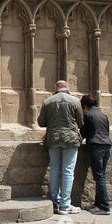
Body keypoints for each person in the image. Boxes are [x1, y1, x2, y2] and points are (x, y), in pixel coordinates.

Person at [37, 80, 83, 215]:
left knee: (55, 169)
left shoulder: (47, 101)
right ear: (67, 88)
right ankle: (65, 204)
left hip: (53, 138)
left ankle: (55, 202)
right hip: (70, 138)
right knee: (68, 171)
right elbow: (80, 122)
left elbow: (41, 122)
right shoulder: (75, 101)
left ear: (56, 88)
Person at [80, 95, 112, 215]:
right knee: (101, 176)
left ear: (84, 106)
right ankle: (99, 204)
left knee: (99, 177)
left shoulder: (87, 115)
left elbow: (83, 132)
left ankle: (104, 206)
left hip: (96, 146)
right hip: (106, 145)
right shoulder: (103, 115)